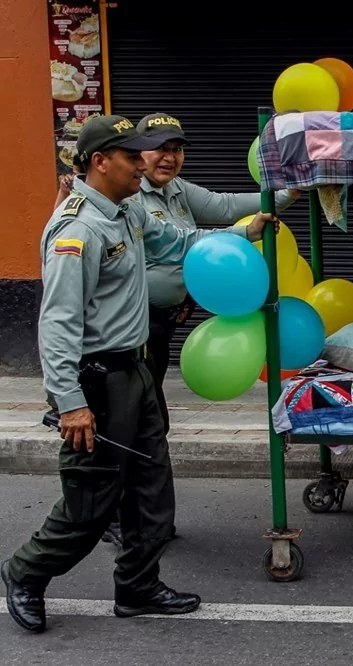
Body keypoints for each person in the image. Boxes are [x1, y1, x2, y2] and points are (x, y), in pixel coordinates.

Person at [1, 115, 275, 633]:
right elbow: (57, 324)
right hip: (96, 382)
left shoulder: (128, 210)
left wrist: (245, 230)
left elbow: (181, 241)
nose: (143, 166)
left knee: (151, 486)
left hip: (135, 370)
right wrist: (70, 402)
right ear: (100, 162)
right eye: (133, 157)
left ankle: (138, 587)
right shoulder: (77, 229)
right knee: (93, 500)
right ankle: (25, 572)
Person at [130, 112, 298, 402]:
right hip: (135, 322)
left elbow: (223, 205)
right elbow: (179, 242)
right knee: (143, 407)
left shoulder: (175, 187)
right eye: (160, 148)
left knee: (147, 403)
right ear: (138, 151)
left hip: (163, 321)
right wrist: (244, 233)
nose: (169, 157)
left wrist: (284, 195)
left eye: (177, 149)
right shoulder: (130, 196)